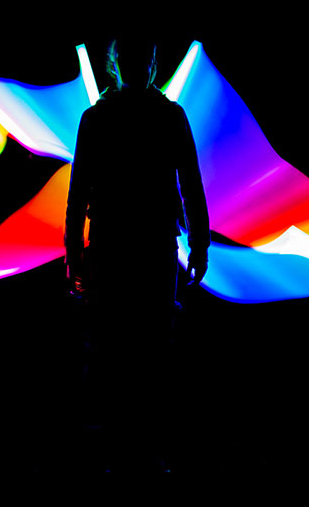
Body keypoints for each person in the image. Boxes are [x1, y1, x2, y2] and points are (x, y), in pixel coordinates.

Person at [65, 38, 210, 472]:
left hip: (112, 247)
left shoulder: (97, 119)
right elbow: (191, 183)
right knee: (150, 348)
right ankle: (146, 452)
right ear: (150, 63)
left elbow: (78, 191)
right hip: (152, 247)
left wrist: (73, 251)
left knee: (113, 348)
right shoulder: (170, 117)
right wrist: (199, 244)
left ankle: (117, 452)